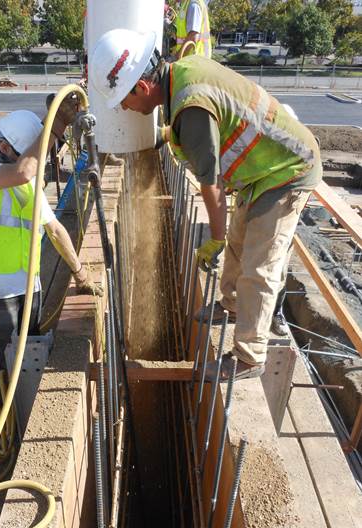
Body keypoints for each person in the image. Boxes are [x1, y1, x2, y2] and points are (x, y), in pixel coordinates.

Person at [90, 29, 322, 381]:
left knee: (259, 263)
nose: (126, 108)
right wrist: (169, 135)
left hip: (287, 170)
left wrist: (214, 237)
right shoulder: (182, 77)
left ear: (142, 87)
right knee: (239, 239)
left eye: (124, 99)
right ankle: (229, 304)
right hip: (260, 170)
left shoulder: (191, 108)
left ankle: (248, 356)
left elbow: (210, 184)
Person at [0, 108, 102, 375]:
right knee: (5, 359)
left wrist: (81, 275)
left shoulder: (26, 183)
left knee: (31, 349)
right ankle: (2, 407)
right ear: (4, 146)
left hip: (30, 282)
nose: (37, 163)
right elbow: (23, 171)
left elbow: (55, 230)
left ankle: (23, 400)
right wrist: (56, 125)